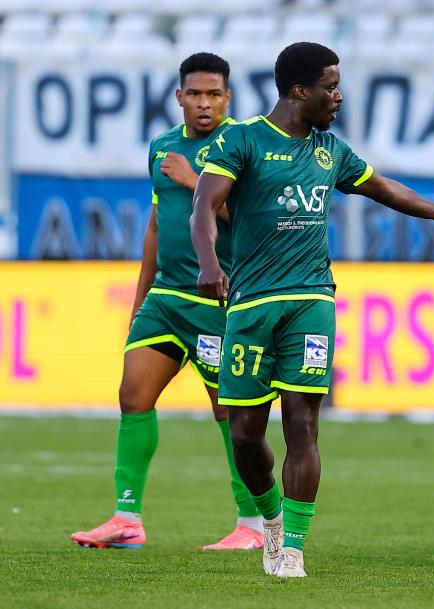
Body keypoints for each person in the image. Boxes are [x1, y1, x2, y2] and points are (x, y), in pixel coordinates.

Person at [190, 42, 434, 578]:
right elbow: (203, 205)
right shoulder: (243, 139)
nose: (339, 96)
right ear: (299, 90)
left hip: (312, 300)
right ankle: (271, 519)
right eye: (330, 87)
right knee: (245, 435)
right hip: (252, 304)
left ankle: (293, 549)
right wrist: (210, 263)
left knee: (303, 425)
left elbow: (380, 187)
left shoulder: (331, 150)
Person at [71, 53, 265, 551]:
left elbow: (250, 218)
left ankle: (253, 525)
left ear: (228, 98)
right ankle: (127, 518)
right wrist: (140, 300)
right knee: (133, 396)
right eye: (194, 94)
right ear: (179, 97)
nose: (204, 103)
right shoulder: (162, 147)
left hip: (219, 301)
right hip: (165, 298)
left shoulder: (243, 144)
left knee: (230, 413)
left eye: (214, 94)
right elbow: (156, 227)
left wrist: (193, 180)